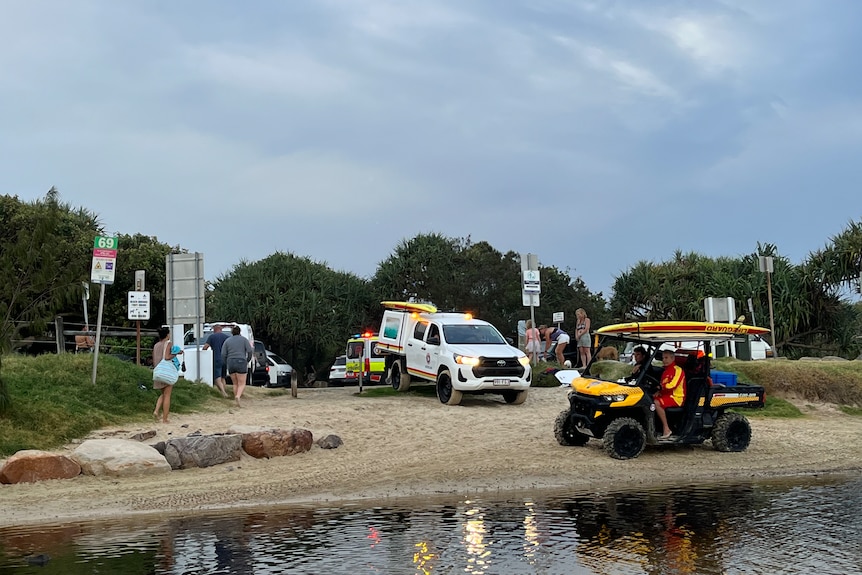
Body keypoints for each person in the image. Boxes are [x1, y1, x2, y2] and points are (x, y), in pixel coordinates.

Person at [153, 326, 183, 423]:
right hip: (166, 372)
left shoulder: (156, 345)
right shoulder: (168, 343)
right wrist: (177, 353)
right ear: (167, 335)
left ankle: (156, 411)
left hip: (158, 371)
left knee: (163, 394)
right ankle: (165, 419)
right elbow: (167, 357)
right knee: (167, 395)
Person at [654, 349, 686, 440]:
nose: (664, 360)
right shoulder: (665, 371)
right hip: (667, 396)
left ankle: (666, 429)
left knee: (656, 403)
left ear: (672, 358)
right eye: (663, 358)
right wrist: (659, 391)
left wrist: (661, 387)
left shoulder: (678, 370)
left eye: (666, 358)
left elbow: (673, 385)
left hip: (677, 397)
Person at [222, 325, 253, 407]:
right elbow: (249, 351)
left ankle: (236, 402)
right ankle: (238, 396)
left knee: (235, 383)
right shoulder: (244, 340)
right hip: (241, 361)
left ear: (232, 332)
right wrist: (247, 360)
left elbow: (223, 354)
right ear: (240, 332)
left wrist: (226, 362)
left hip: (231, 362)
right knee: (242, 383)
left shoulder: (227, 341)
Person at [202, 324, 230, 398]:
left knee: (217, 377)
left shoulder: (212, 337)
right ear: (221, 329)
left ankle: (223, 393)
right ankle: (225, 391)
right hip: (225, 359)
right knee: (223, 377)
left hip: (216, 358)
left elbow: (205, 347)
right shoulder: (226, 337)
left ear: (214, 330)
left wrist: (202, 353)